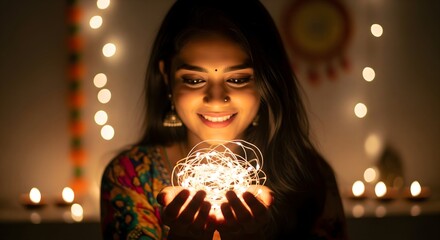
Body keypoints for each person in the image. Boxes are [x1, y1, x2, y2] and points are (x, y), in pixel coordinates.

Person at [100, 0, 347, 239]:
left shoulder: (309, 176)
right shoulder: (129, 176)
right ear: (167, 76)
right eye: (194, 80)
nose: (216, 99)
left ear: (266, 82)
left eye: (238, 79)